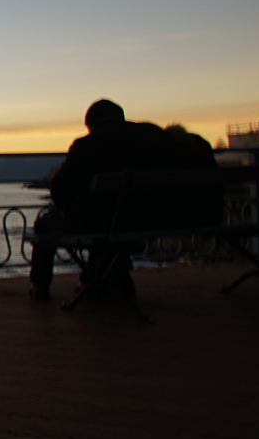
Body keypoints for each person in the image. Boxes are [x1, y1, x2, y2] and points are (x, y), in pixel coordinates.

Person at [29, 99, 177, 302]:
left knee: (47, 224)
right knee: (115, 223)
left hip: (97, 221)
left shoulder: (87, 146)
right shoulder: (151, 143)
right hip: (145, 220)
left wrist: (70, 205)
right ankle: (108, 278)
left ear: (92, 125)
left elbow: (60, 190)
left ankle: (40, 286)